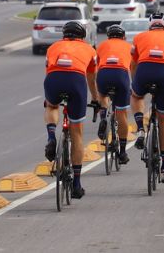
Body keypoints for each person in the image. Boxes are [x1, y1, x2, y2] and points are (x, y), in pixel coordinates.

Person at [43, 21, 99, 199]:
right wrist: (95, 99)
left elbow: (48, 71)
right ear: (82, 36)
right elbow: (91, 79)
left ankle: (51, 137)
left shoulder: (53, 47)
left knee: (51, 105)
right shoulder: (90, 50)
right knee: (77, 133)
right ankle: (76, 184)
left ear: (64, 35)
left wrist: (51, 95)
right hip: (76, 82)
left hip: (54, 80)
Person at [131, 13, 164, 183]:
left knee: (136, 96)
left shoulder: (139, 37)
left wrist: (135, 83)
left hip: (144, 71)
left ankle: (140, 128)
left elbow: (133, 64)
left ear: (151, 26)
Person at [94, 24, 134, 165]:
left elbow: (97, 65)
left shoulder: (101, 45)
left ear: (108, 36)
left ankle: (103, 117)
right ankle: (122, 151)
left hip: (104, 73)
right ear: (123, 37)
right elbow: (132, 68)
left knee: (103, 95)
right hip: (120, 75)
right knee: (122, 113)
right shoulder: (129, 46)